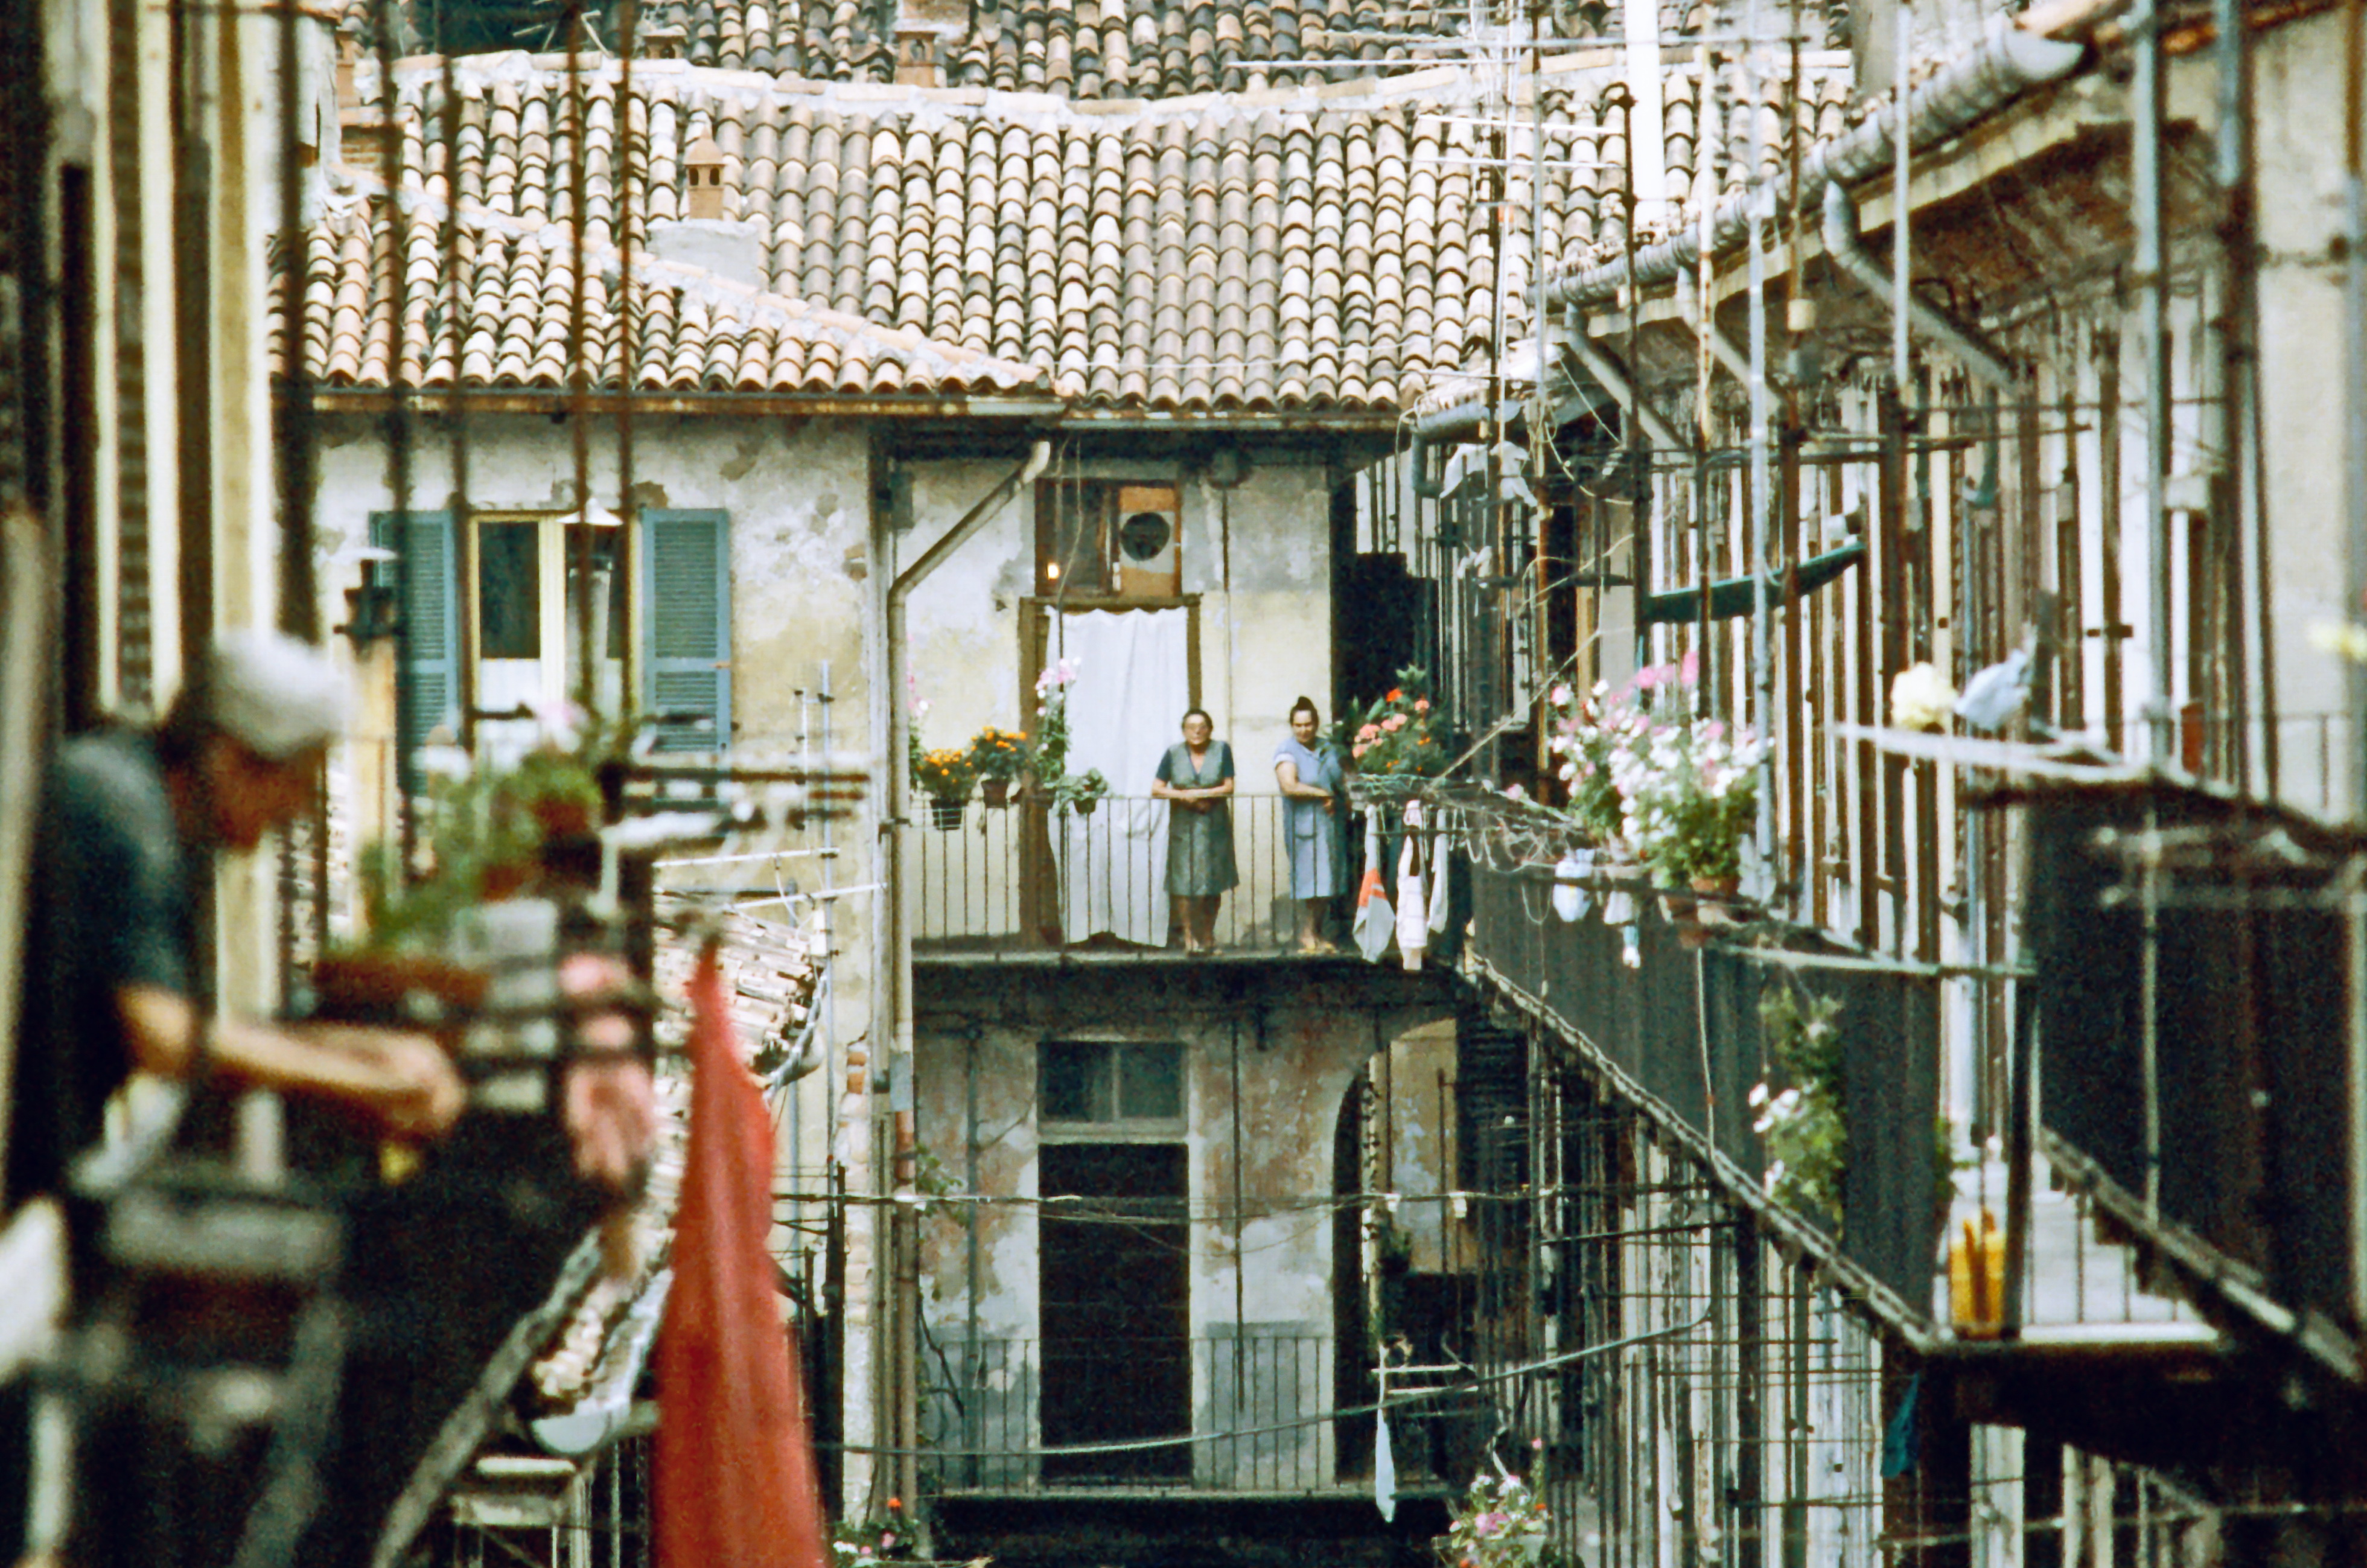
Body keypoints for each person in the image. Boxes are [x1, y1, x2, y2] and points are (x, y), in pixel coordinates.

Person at [5, 628, 468, 1206]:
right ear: (229, 758)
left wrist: (353, 1051)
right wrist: (371, 1083)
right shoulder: (121, 819)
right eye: (296, 782)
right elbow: (166, 1039)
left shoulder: (139, 799)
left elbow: (188, 1024)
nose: (295, 809)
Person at [1150, 707, 1237, 954]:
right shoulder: (1173, 754)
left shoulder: (1222, 750)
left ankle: (1208, 936)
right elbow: (1157, 789)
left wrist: (1203, 794)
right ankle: (1189, 937)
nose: (1197, 732)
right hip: (1184, 825)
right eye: (1191, 727)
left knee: (1214, 880)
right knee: (1184, 882)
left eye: (1202, 727)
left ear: (1210, 730)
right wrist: (1183, 796)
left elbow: (1228, 786)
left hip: (1214, 825)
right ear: (1183, 730)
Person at [1272, 696, 1346, 954]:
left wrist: (1337, 799)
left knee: (1329, 880)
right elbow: (1289, 786)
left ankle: (1317, 931)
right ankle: (1307, 932)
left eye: (1308, 724)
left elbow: (1341, 781)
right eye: (1298, 725)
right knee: (1309, 880)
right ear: (1292, 726)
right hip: (1304, 824)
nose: (1304, 730)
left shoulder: (1329, 748)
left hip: (1329, 823)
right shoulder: (1287, 751)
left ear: (1316, 724)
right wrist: (1323, 794)